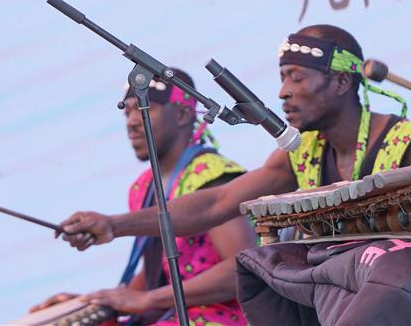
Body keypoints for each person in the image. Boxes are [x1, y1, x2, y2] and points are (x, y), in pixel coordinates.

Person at [57, 25, 411, 249]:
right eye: (282, 77)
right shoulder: (304, 152)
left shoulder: (408, 141)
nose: (282, 92)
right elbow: (219, 203)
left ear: (339, 82)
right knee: (265, 270)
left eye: (296, 77)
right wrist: (114, 224)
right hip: (347, 293)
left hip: (407, 294)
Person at [31, 69, 252, 325]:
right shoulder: (143, 187)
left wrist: (149, 300)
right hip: (175, 314)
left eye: (144, 109)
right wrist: (90, 303)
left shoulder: (211, 174)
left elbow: (241, 271)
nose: (132, 122)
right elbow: (156, 275)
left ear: (182, 114)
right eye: (127, 112)